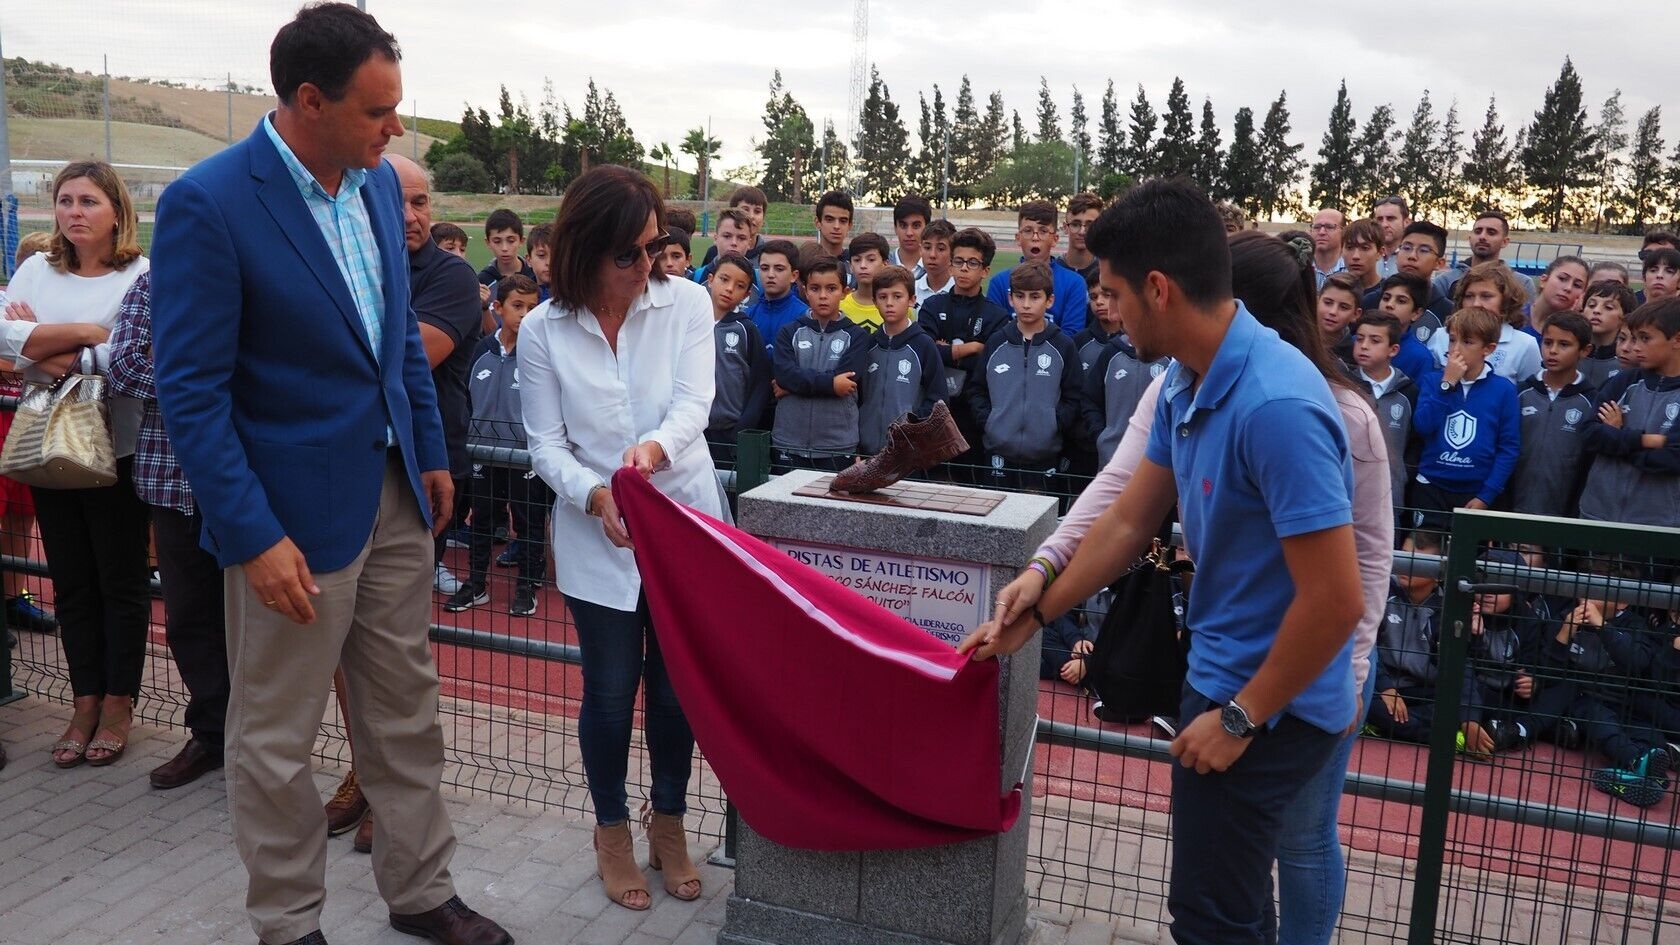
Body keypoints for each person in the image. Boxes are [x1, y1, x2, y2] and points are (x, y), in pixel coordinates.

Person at [150, 6, 509, 943]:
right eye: (378, 110)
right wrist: (253, 533)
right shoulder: (210, 203)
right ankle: (288, 920)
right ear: (310, 102)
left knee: (404, 711)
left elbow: (393, 343)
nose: (396, 130)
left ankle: (422, 891)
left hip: (392, 493)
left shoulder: (380, 187)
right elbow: (191, 393)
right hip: (288, 522)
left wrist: (430, 452)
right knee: (275, 736)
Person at [961, 184, 1366, 945]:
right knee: (1233, 906)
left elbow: (1337, 599)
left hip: (1267, 702)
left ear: (1159, 288)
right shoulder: (1188, 376)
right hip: (1222, 677)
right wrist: (1039, 599)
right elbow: (1127, 518)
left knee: (1212, 918)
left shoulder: (1276, 404)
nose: (1105, 308)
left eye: (1112, 293)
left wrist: (1242, 717)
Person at [518, 164, 718, 912]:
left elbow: (697, 401)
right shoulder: (542, 329)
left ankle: (669, 822)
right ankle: (610, 831)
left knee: (675, 693)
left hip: (683, 522)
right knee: (608, 691)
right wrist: (598, 492)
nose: (648, 266)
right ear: (584, 250)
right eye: (628, 254)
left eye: (656, 247)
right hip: (597, 536)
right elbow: (545, 444)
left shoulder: (687, 303)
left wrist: (652, 454)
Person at [2, 162, 151, 769]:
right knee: (70, 581)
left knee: (120, 581)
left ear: (116, 210)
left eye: (88, 200)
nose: (74, 211)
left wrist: (39, 343)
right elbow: (1, 343)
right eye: (64, 200)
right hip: (47, 448)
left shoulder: (143, 274)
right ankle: (82, 699)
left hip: (114, 450)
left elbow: (132, 354)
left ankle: (119, 704)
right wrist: (86, 335)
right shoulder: (37, 267)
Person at [106, 270, 229, 790]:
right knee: (190, 620)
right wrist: (211, 374)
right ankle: (212, 735)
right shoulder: (156, 284)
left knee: (259, 625)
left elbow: (270, 372)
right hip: (172, 480)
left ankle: (260, 745)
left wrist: (174, 363)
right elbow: (125, 367)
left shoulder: (258, 267)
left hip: (249, 482)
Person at [446, 275, 552, 617]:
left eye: (532, 308)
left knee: (528, 521)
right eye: (517, 306)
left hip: (524, 457)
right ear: (497, 307)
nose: (524, 315)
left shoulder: (542, 355)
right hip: (482, 453)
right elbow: (462, 396)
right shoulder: (480, 350)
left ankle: (526, 586)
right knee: (482, 521)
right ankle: (476, 583)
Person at [968, 261, 1082, 493]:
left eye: (1035, 297)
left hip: (1044, 456)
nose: (1026, 304)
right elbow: (976, 390)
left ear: (1049, 300)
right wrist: (991, 421)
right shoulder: (997, 342)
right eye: (1020, 296)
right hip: (998, 453)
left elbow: (1075, 396)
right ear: (1010, 299)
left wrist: (1054, 423)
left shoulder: (1063, 345)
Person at [1410, 306, 1523, 528]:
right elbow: (1422, 427)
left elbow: (1508, 448)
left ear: (1488, 349)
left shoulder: (1504, 390)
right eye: (1452, 340)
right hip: (1431, 484)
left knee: (1468, 555)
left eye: (1468, 342)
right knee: (1422, 551)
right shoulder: (1434, 382)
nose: (1456, 349)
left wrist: (1486, 495)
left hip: (1476, 490)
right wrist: (1447, 384)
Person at [917, 227, 1010, 480]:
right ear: (951, 265)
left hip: (973, 417)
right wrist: (972, 347)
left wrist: (947, 351)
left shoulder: (997, 316)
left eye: (972, 262)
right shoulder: (931, 306)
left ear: (985, 270)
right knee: (932, 490)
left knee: (971, 490)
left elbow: (987, 366)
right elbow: (926, 355)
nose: (964, 268)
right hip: (934, 414)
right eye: (958, 261)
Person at [0, 231, 57, 642]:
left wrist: (35, 347)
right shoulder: (9, 303)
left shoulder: (56, 308)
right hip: (1, 421)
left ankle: (13, 600)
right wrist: (40, 351)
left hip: (30, 419)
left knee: (23, 515)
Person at [1579, 297, 1680, 527]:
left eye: (1645, 338)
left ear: (1677, 340)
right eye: (1634, 338)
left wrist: (1619, 435)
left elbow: (1672, 459)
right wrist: (1642, 440)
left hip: (1658, 525)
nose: (1635, 347)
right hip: (1597, 516)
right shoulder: (1624, 381)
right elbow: (1589, 434)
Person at [771, 255, 871, 471]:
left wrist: (795, 386)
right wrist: (830, 384)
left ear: (845, 291)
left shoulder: (858, 336)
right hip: (789, 442)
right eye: (815, 288)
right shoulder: (789, 332)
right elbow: (785, 375)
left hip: (837, 444)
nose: (823, 296)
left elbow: (847, 380)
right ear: (805, 291)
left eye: (831, 288)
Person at [1511, 311, 1596, 517]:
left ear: (1584, 350)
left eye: (1564, 345)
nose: (1553, 351)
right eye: (1548, 343)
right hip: (1512, 506)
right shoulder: (1521, 392)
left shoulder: (1591, 401)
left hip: (1562, 512)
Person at [855, 265, 944, 457]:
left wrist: (912, 426)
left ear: (912, 300)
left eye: (897, 296)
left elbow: (938, 398)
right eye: (883, 297)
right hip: (867, 448)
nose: (889, 303)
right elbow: (858, 395)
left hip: (908, 453)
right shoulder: (869, 344)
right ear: (874, 301)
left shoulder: (924, 345)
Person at [705, 253, 771, 464]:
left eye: (739, 285)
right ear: (710, 279)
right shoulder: (689, 323)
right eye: (724, 279)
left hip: (727, 432)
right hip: (690, 430)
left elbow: (761, 382)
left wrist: (741, 428)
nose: (729, 289)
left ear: (747, 294)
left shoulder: (746, 329)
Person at [987, 199, 1089, 334]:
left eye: (1043, 231)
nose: (1035, 237)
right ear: (1018, 238)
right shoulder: (999, 283)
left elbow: (1072, 335)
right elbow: (994, 336)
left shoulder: (1074, 283)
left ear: (1055, 239)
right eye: (1028, 230)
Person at [1431, 261, 1543, 382]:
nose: (1476, 304)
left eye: (1486, 296)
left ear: (1505, 300)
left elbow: (1528, 395)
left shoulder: (1525, 345)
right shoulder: (1441, 336)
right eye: (1469, 296)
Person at [1352, 312, 1416, 513]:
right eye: (1360, 338)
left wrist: (1403, 477)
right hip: (1348, 493)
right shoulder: (1343, 386)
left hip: (1390, 497)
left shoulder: (1409, 392)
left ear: (1393, 349)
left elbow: (1413, 444)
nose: (1364, 345)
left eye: (1375, 340)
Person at [1434, 210, 1536, 303]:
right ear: (1470, 238)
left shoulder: (1522, 283)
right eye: (1478, 231)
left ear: (1504, 242)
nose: (1482, 237)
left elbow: (1524, 321)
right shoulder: (1445, 282)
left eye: (1491, 232)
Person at [477, 207, 534, 332]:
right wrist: (484, 307)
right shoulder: (482, 281)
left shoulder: (534, 277)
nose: (504, 248)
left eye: (511, 240)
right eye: (497, 241)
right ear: (488, 243)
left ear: (521, 241)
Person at [746, 239, 809, 351]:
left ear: (794, 276)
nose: (770, 275)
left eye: (779, 269)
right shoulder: (749, 315)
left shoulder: (805, 316)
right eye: (764, 268)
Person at [1377, 271, 1440, 382]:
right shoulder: (1359, 341)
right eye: (1386, 298)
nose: (1389, 305)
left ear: (1416, 313)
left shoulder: (1420, 357)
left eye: (1401, 301)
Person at [696, 185, 768, 272]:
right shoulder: (714, 252)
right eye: (745, 209)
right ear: (733, 212)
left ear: (763, 217)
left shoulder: (769, 253)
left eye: (757, 211)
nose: (751, 216)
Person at [1581, 280, 1636, 389]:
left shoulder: (1627, 360)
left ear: (1624, 317)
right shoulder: (1572, 354)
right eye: (1591, 305)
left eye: (1608, 307)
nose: (1596, 311)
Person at [1521, 255, 1590, 340]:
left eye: (1577, 285)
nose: (1568, 288)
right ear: (1544, 280)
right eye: (1562, 278)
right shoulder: (1512, 317)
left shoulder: (1579, 335)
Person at [839, 232, 890, 332]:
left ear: (885, 264)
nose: (863, 265)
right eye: (857, 260)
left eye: (871, 259)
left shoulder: (898, 307)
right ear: (850, 265)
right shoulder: (839, 307)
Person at [1316, 272, 1363, 368]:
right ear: (1317, 302)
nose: (1333, 312)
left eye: (1344, 307)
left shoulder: (1355, 356)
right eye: (1328, 303)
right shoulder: (1294, 339)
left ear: (1356, 314)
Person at [1059, 191, 1104, 281]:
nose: (1082, 232)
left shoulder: (1106, 273)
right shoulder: (1051, 272)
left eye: (1089, 225)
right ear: (1065, 227)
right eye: (1075, 224)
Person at [813, 189, 855, 283]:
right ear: (818, 223)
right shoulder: (804, 260)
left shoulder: (857, 262)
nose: (836, 226)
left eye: (843, 221)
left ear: (850, 225)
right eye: (829, 219)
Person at [889, 193, 931, 278]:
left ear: (927, 228)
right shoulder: (881, 265)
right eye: (903, 225)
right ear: (895, 228)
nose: (909, 233)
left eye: (916, 226)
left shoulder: (937, 268)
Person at [915, 218, 956, 302]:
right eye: (927, 247)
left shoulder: (961, 292)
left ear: (953, 253)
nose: (932, 255)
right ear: (920, 250)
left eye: (941, 249)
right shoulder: (911, 290)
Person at [1340, 218, 1384, 294]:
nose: (1355, 256)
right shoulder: (1334, 291)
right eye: (1350, 248)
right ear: (1341, 251)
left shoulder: (1387, 294)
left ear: (1380, 253)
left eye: (1365, 248)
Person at [1371, 196, 1410, 277]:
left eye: (1390, 218)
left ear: (1406, 222)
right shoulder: (1368, 256)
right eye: (1379, 219)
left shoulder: (1413, 258)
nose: (1384, 224)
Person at [1308, 208, 1346, 287]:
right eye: (1317, 227)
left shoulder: (1352, 268)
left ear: (1343, 232)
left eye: (1329, 227)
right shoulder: (1301, 267)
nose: (1321, 232)